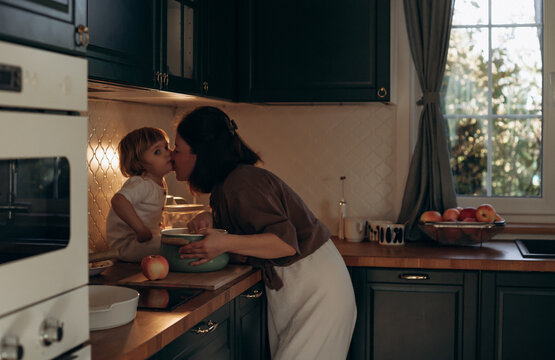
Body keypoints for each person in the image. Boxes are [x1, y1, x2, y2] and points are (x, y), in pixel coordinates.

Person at [172, 106, 357, 360]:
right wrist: (214, 218)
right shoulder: (232, 182)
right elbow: (252, 226)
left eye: (177, 149)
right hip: (307, 287)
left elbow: (284, 243)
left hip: (316, 294)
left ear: (200, 153)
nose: (172, 157)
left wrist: (223, 242)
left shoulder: (242, 182)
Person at [106, 127, 173, 262]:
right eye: (157, 151)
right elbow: (118, 201)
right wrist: (141, 230)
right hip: (127, 244)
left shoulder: (158, 183)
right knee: (173, 248)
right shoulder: (142, 183)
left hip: (141, 242)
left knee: (176, 242)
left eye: (167, 147)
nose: (168, 153)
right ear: (139, 164)